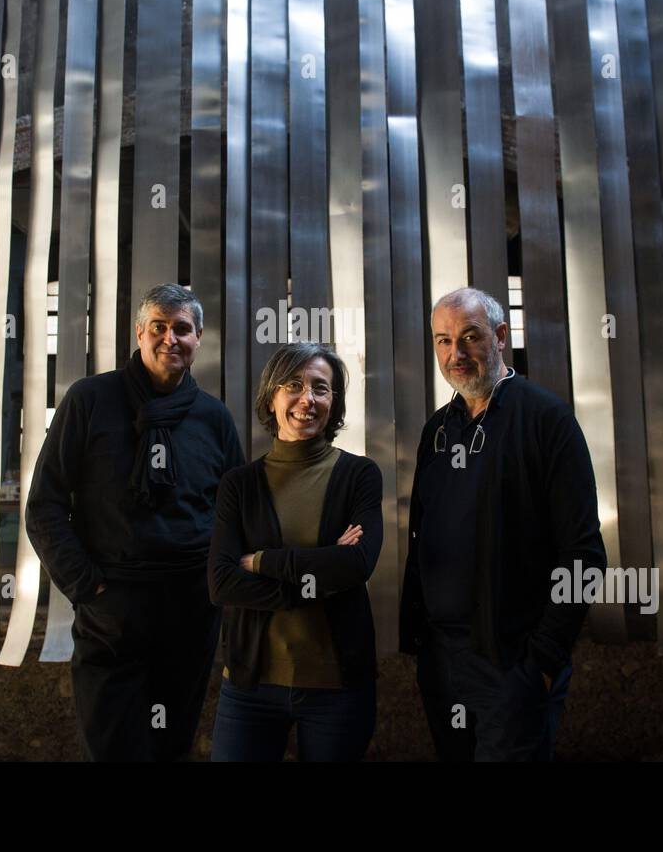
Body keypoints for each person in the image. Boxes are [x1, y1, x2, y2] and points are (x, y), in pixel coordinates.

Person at [25, 283, 245, 761]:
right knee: (112, 747)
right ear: (139, 333)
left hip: (189, 615)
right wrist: (88, 587)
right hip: (112, 612)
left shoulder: (213, 418)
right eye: (159, 327)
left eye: (182, 329)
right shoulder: (89, 401)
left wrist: (215, 590)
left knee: (170, 746)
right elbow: (44, 505)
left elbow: (235, 514)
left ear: (198, 337)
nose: (171, 338)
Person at [400, 286, 608, 761]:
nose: (456, 353)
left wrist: (543, 661)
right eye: (443, 341)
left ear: (499, 336)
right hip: (443, 662)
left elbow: (584, 555)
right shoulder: (438, 430)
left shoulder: (546, 420)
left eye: (469, 337)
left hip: (511, 663)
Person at [207, 342, 383, 761]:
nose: (307, 399)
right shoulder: (239, 485)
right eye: (293, 385)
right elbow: (222, 583)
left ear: (333, 402)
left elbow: (356, 564)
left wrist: (264, 561)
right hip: (250, 687)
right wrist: (317, 579)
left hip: (337, 689)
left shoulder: (359, 475)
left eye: (321, 389)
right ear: (272, 396)